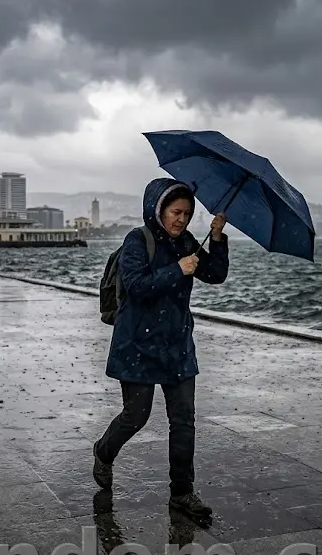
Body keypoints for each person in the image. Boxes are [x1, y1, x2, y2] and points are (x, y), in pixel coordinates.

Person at [92, 178, 229, 519]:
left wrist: (215, 238)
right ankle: (104, 452)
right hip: (138, 345)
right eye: (175, 212)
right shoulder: (138, 240)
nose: (181, 219)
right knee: (135, 417)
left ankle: (182, 494)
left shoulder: (187, 242)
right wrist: (176, 270)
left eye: (187, 213)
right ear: (159, 209)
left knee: (183, 421)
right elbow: (137, 286)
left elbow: (215, 274)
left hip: (177, 346)